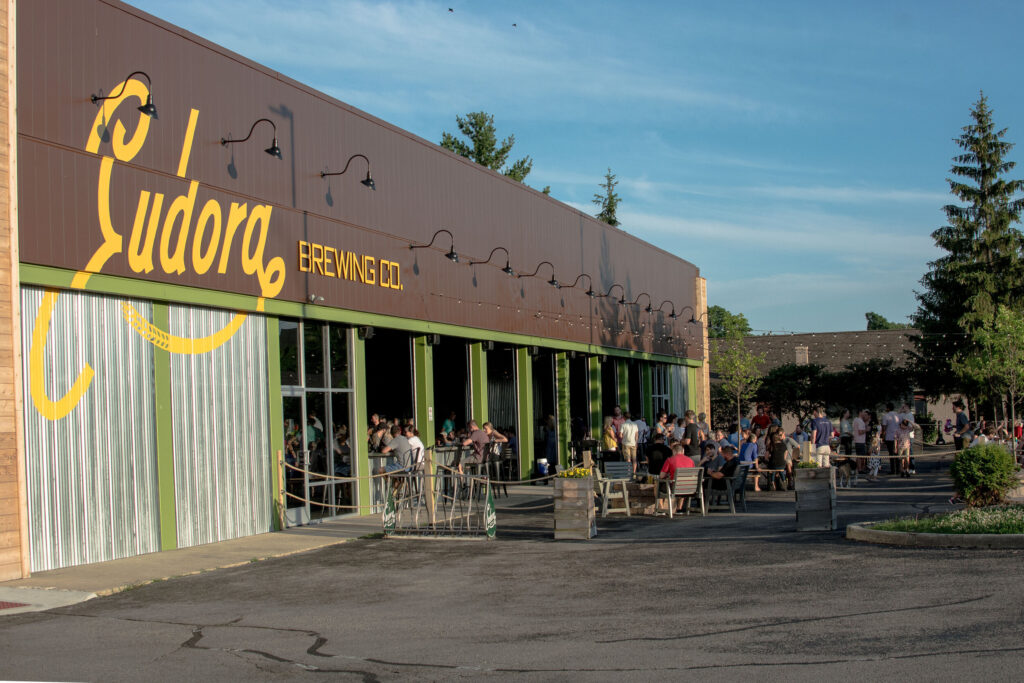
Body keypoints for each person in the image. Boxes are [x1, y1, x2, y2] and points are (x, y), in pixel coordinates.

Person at [658, 443, 696, 513]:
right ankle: (679, 508)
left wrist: (668, 475)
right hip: (689, 488)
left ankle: (661, 508)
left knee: (657, 485)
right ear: (683, 451)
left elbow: (661, 476)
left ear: (674, 451)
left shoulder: (670, 460)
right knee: (682, 482)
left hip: (675, 488)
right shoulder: (690, 460)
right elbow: (693, 476)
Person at [882, 403, 901, 474]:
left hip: (889, 437)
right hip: (897, 437)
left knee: (891, 453)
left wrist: (883, 437)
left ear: (888, 408)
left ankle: (893, 470)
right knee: (897, 453)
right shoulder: (897, 415)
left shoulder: (886, 416)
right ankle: (898, 469)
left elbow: (884, 427)